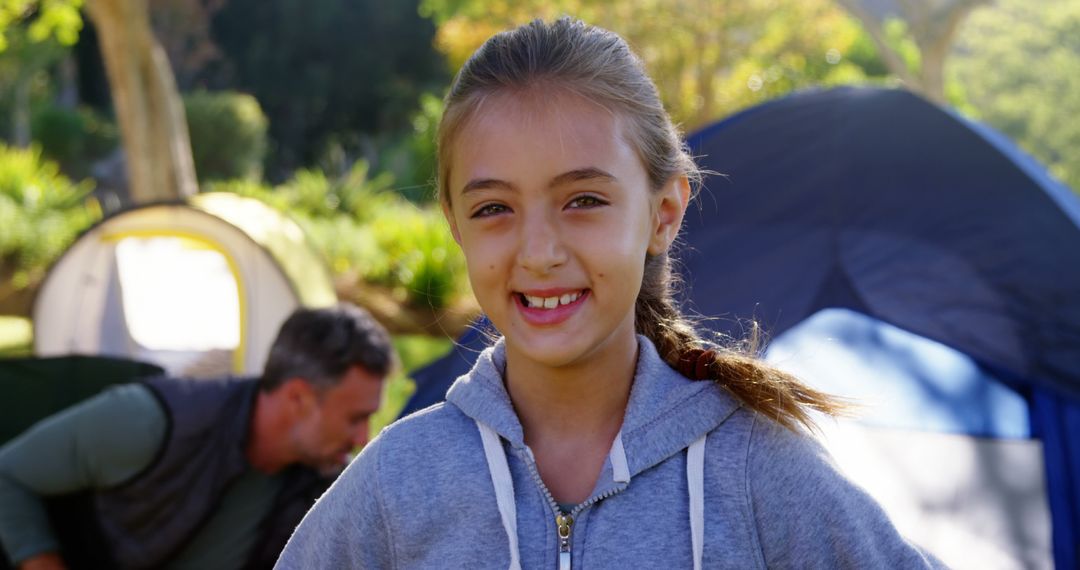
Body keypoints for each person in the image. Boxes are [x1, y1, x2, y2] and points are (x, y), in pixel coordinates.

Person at [276, 18, 943, 569]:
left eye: (584, 200)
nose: (539, 252)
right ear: (455, 224)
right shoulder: (401, 481)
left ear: (664, 211)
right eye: (493, 209)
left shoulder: (753, 468)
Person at [0, 303, 394, 570]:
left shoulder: (320, 487)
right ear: (298, 398)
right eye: (355, 419)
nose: (364, 438)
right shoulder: (151, 421)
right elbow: (8, 474)